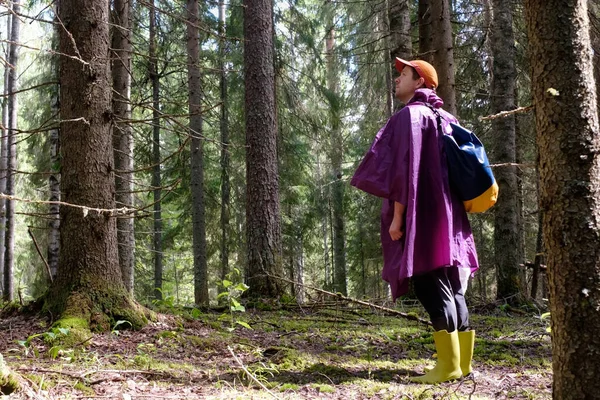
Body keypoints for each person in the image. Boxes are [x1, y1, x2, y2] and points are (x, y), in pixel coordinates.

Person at [350, 58, 479, 384]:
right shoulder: (446, 117)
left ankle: (448, 367)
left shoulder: (410, 117)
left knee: (428, 283)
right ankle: (462, 365)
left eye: (403, 75)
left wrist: (397, 219)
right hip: (450, 218)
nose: (397, 80)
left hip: (422, 215)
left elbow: (402, 173)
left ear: (419, 82)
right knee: (451, 285)